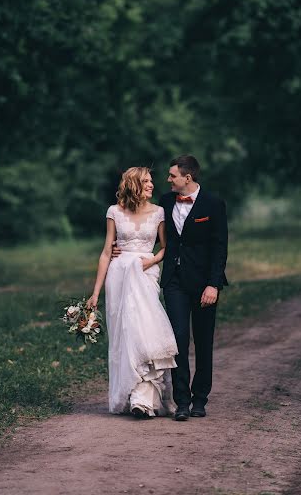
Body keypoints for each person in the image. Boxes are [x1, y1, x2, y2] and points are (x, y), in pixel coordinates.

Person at [86, 167, 178, 419]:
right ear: (134, 184)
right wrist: (95, 294)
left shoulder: (159, 212)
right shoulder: (114, 211)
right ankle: (131, 396)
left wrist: (151, 261)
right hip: (118, 276)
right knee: (124, 333)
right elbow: (106, 252)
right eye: (146, 181)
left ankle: (144, 398)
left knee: (145, 330)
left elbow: (166, 248)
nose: (151, 185)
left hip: (145, 274)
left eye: (151, 181)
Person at [159, 155, 228, 420]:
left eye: (172, 175)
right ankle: (182, 402)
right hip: (174, 281)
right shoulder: (165, 202)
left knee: (203, 340)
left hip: (203, 284)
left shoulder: (213, 204)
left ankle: (200, 398)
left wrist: (213, 284)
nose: (168, 180)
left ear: (187, 178)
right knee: (177, 339)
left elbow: (220, 247)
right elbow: (153, 234)